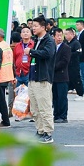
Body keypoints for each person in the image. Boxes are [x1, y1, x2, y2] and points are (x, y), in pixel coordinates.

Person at [28, 16, 56, 144]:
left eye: (36, 26)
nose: (33, 28)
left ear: (43, 27)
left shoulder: (49, 40)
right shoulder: (36, 40)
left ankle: (48, 133)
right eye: (32, 26)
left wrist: (31, 52)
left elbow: (47, 54)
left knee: (45, 108)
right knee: (35, 109)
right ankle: (40, 131)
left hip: (43, 78)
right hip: (33, 77)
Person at [52, 28, 71, 123]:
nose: (59, 38)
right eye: (57, 36)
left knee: (62, 97)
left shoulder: (66, 47)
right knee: (55, 97)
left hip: (62, 76)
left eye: (61, 36)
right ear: (53, 37)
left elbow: (65, 61)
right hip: (53, 77)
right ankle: (56, 115)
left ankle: (63, 116)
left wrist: (52, 67)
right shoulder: (52, 47)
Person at [75, 20, 84, 99]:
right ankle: (82, 90)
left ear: (82, 25)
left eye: (78, 25)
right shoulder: (79, 34)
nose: (76, 26)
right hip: (80, 57)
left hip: (83, 57)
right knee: (81, 74)